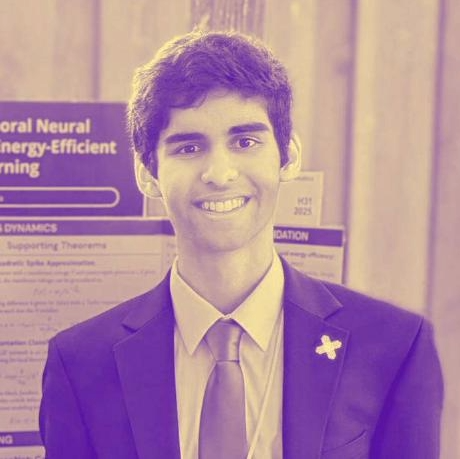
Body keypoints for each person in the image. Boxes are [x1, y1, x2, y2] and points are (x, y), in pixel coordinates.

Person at [39, 30, 443, 459]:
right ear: (147, 174)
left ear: (288, 155)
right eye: (188, 147)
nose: (219, 173)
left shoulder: (394, 346)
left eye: (245, 142)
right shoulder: (81, 364)